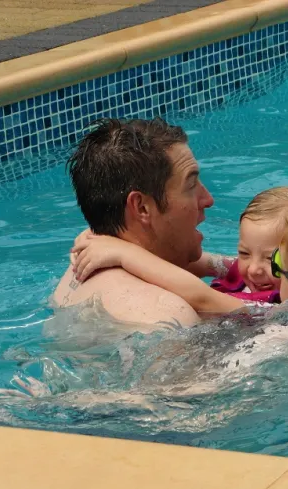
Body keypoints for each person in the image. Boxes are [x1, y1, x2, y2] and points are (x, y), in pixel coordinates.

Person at [70, 206, 288, 330]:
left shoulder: (285, 326)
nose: (264, 272)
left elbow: (200, 297)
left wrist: (124, 254)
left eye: (278, 267)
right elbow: (215, 264)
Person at [51, 117, 214, 330]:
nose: (208, 199)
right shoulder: (168, 316)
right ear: (142, 208)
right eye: (191, 185)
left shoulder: (76, 272)